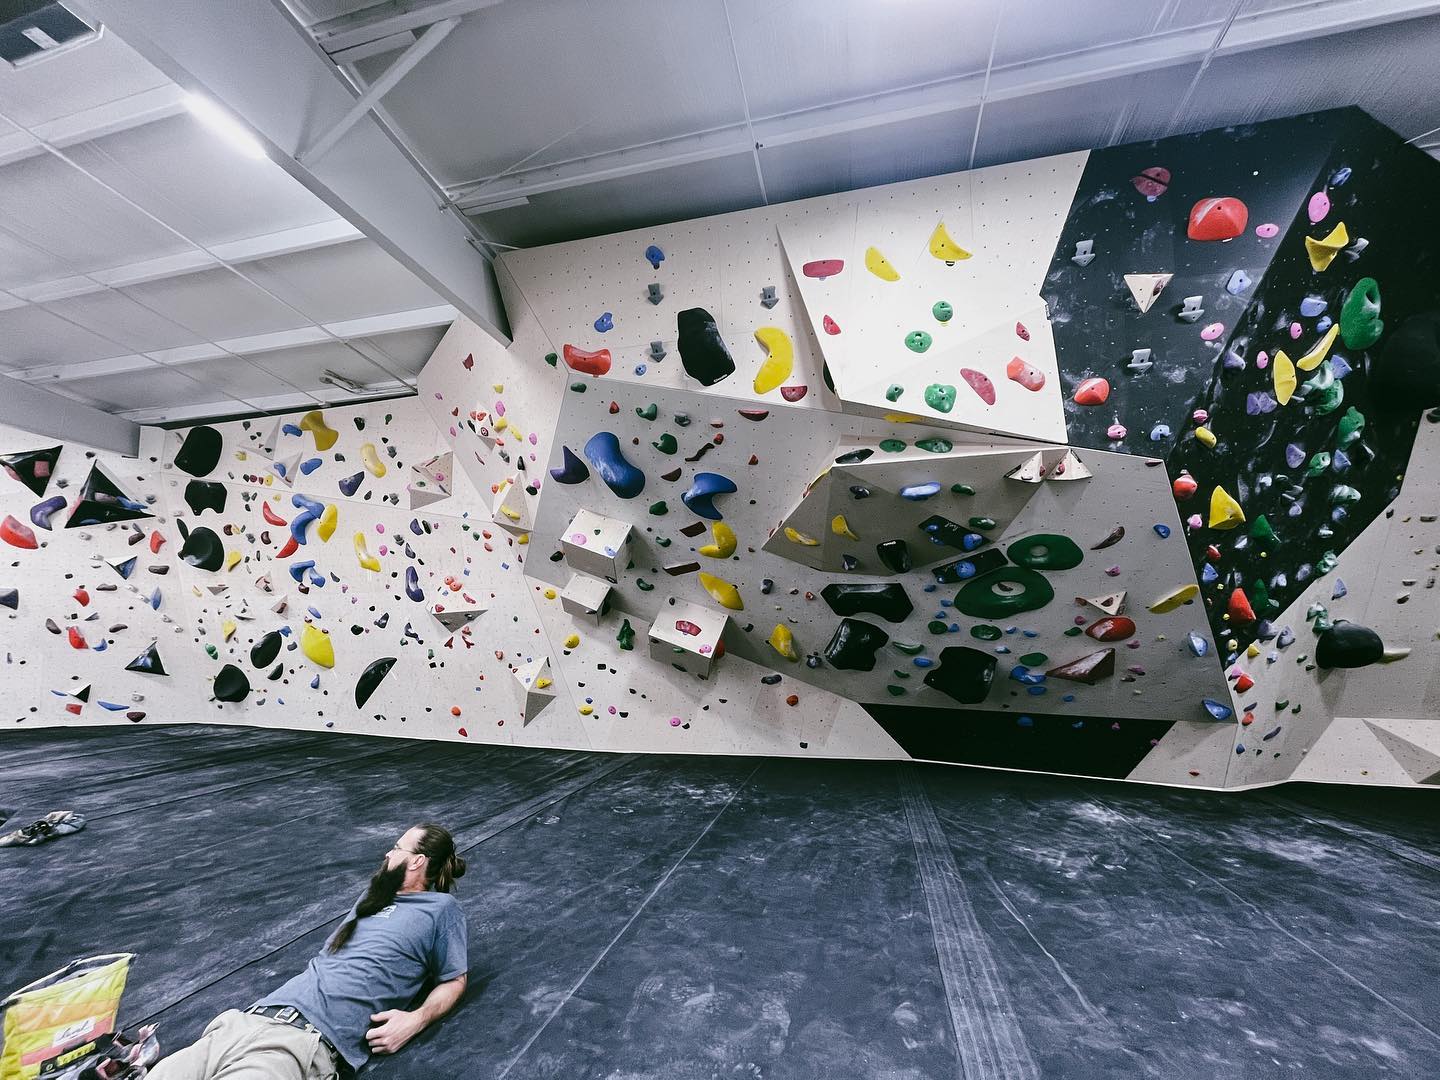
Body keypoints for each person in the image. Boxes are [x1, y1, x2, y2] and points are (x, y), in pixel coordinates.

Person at [149, 823, 469, 1079]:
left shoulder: (440, 909)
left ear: (417, 860)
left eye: (397, 847)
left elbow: (455, 980)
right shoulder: (371, 899)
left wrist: (415, 1020)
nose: (388, 852)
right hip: (242, 1022)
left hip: (301, 1043)